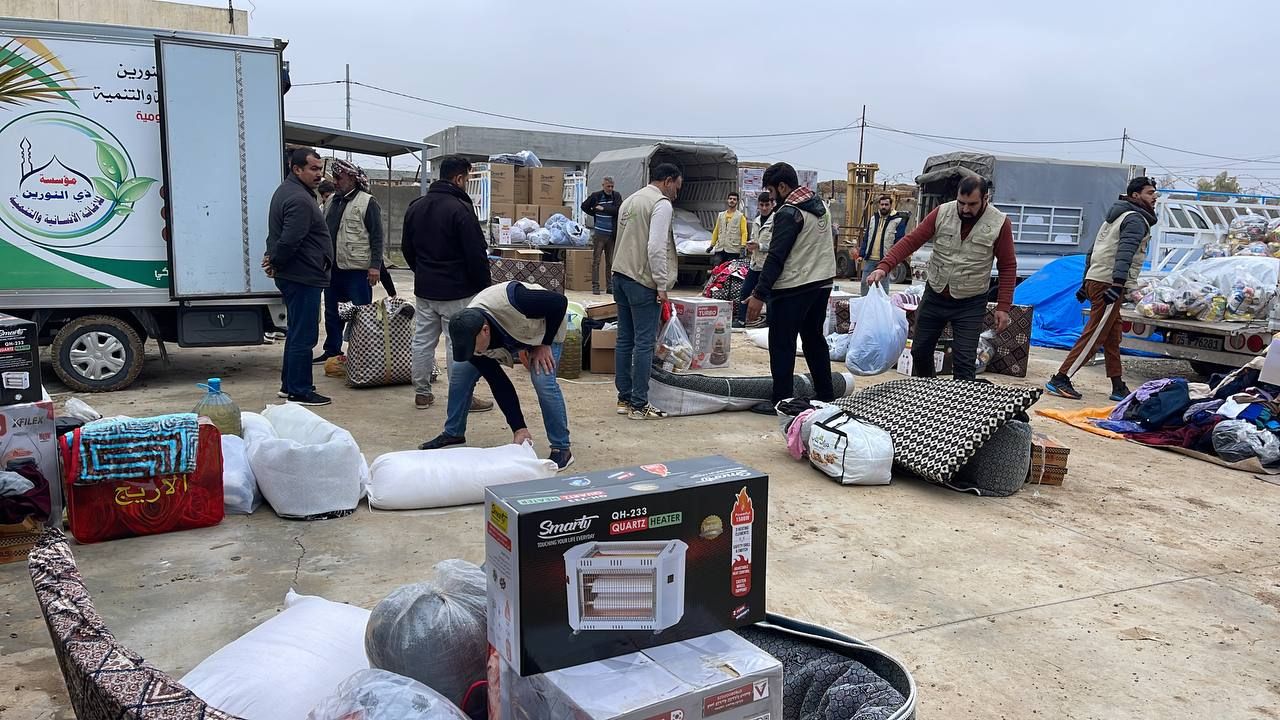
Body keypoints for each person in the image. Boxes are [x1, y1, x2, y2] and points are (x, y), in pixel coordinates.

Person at [867, 175, 1016, 381]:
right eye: (961, 203)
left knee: (964, 363)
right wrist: (884, 266)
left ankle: (961, 399)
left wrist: (1003, 306)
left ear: (985, 198)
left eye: (972, 204)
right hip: (935, 294)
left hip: (970, 302)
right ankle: (930, 392)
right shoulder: (942, 212)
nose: (965, 209)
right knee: (920, 351)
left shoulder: (999, 223)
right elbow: (912, 241)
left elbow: (1007, 266)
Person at [417, 281, 574, 470]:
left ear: (485, 331)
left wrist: (544, 344)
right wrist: (519, 428)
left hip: (545, 327)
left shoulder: (519, 301)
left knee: (543, 381)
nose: (473, 352)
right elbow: (499, 382)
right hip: (514, 333)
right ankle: (454, 434)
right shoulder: (468, 332)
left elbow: (559, 302)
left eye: (473, 347)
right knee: (461, 371)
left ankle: (562, 448)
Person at [1047, 177, 1158, 401]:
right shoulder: (1135, 219)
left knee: (1112, 336)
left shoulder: (1115, 217)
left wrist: (1085, 282)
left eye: (1155, 193)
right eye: (1150, 193)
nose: (1155, 197)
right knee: (1095, 334)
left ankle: (1118, 386)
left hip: (1097, 279)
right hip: (1109, 283)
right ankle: (1061, 378)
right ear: (1136, 195)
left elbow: (1093, 250)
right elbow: (1125, 254)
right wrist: (1118, 284)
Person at [401, 155, 495, 412]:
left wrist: (422, 272)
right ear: (459, 178)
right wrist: (483, 287)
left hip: (425, 289)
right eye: (467, 178)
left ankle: (422, 393)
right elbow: (475, 254)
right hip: (457, 290)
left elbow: (407, 248)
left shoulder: (416, 206)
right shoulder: (461, 209)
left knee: (422, 341)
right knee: (458, 343)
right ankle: (461, 397)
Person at [744, 163, 838, 414]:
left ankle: (782, 401)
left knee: (782, 344)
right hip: (822, 283)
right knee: (814, 340)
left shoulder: (788, 213)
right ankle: (826, 395)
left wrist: (758, 294)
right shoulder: (821, 206)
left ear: (783, 187)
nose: (771, 196)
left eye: (771, 190)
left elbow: (776, 257)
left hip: (794, 287)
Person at [263, 147, 333, 406]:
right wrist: (276, 261)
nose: (319, 174)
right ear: (297, 169)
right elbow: (290, 239)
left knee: (295, 333)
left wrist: (274, 261)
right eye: (313, 169)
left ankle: (289, 386)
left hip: (298, 274)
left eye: (320, 169)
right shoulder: (299, 199)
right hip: (303, 276)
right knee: (304, 335)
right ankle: (300, 390)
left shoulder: (289, 191)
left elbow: (278, 237)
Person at [612, 162, 682, 420]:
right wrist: (661, 285)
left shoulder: (630, 200)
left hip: (620, 275)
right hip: (642, 280)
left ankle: (624, 398)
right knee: (644, 343)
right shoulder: (661, 204)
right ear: (668, 181)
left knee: (624, 339)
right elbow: (656, 247)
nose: (676, 193)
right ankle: (639, 404)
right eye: (677, 187)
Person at [316, 159, 383, 363]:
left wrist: (375, 266)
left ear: (352, 179)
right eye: (334, 178)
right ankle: (332, 351)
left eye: (339, 178)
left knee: (361, 313)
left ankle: (362, 354)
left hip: (357, 270)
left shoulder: (367, 202)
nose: (335, 182)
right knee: (332, 313)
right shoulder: (331, 201)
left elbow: (377, 237)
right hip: (333, 269)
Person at [736, 191, 774, 328]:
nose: (764, 208)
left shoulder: (776, 220)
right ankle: (741, 320)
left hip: (768, 265)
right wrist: (751, 245)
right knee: (745, 291)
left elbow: (778, 245)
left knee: (768, 295)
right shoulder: (756, 220)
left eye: (767, 205)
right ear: (758, 205)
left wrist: (760, 246)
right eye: (762, 205)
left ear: (772, 205)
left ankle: (770, 324)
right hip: (755, 263)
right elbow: (754, 238)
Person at [581, 176, 622, 295]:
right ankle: (595, 286)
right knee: (596, 261)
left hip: (611, 234)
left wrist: (603, 208)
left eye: (612, 186)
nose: (610, 189)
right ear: (603, 185)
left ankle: (610, 286)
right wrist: (594, 212)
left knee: (610, 262)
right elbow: (584, 206)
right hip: (599, 233)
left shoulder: (616, 196)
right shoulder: (596, 196)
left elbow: (618, 210)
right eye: (608, 186)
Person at [860, 195, 906, 295]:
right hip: (870, 258)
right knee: (864, 283)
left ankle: (883, 303)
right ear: (879, 205)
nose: (884, 207)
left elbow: (899, 241)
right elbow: (866, 237)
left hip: (885, 259)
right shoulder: (873, 219)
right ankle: (864, 302)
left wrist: (896, 259)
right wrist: (861, 254)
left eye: (886, 204)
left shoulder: (898, 220)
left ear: (891, 205)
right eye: (882, 204)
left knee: (883, 285)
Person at [709, 192, 748, 268]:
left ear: (737, 202)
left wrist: (743, 246)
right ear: (727, 200)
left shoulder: (740, 216)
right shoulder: (721, 215)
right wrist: (712, 245)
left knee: (730, 270)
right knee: (716, 268)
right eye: (730, 199)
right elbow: (716, 230)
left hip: (733, 249)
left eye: (734, 199)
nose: (732, 201)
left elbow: (744, 232)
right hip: (720, 248)